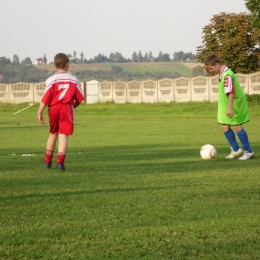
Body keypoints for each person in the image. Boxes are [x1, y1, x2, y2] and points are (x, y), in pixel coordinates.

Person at [37, 53, 84, 170]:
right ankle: (60, 163)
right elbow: (80, 99)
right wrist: (72, 106)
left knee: (53, 134)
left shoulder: (50, 80)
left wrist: (39, 112)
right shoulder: (74, 80)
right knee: (63, 136)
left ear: (55, 65)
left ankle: (47, 162)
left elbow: (45, 98)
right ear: (67, 64)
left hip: (53, 108)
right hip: (66, 108)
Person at [204, 54, 254, 160]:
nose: (210, 71)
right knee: (225, 126)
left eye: (211, 68)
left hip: (235, 103)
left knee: (236, 126)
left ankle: (249, 152)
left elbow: (231, 92)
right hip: (226, 104)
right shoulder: (222, 74)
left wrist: (230, 108)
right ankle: (236, 150)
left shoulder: (227, 75)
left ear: (217, 64)